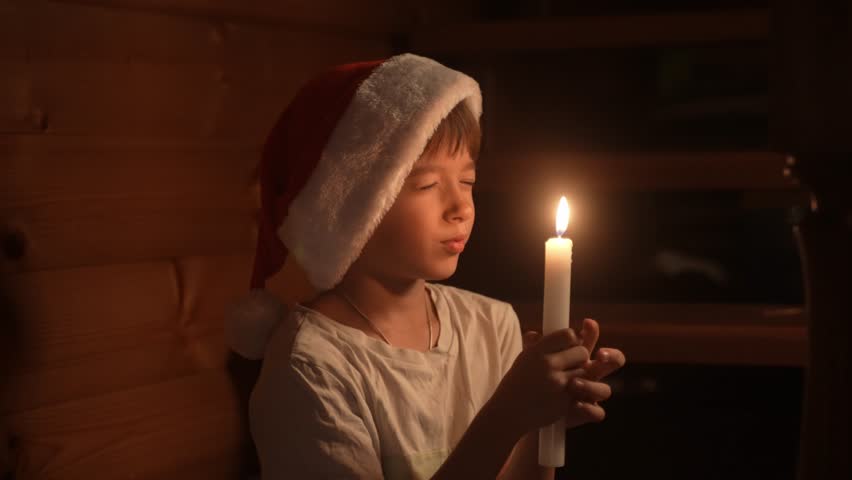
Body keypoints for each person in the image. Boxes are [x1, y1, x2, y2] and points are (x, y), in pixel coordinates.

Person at [225, 53, 626, 479]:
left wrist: (540, 424)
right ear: (350, 206)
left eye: (467, 181)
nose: (460, 207)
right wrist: (507, 416)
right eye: (428, 184)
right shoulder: (311, 366)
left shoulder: (491, 326)